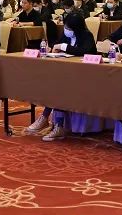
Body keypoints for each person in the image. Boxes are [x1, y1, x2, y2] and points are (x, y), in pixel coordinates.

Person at [39, 14, 99, 142]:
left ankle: (55, 123)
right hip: (68, 73)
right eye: (65, 27)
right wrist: (54, 49)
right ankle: (45, 118)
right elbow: (57, 44)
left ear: (77, 28)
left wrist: (63, 47)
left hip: (85, 75)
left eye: (69, 28)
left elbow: (84, 51)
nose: (66, 30)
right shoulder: (66, 35)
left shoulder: (87, 36)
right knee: (54, 84)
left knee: (60, 88)